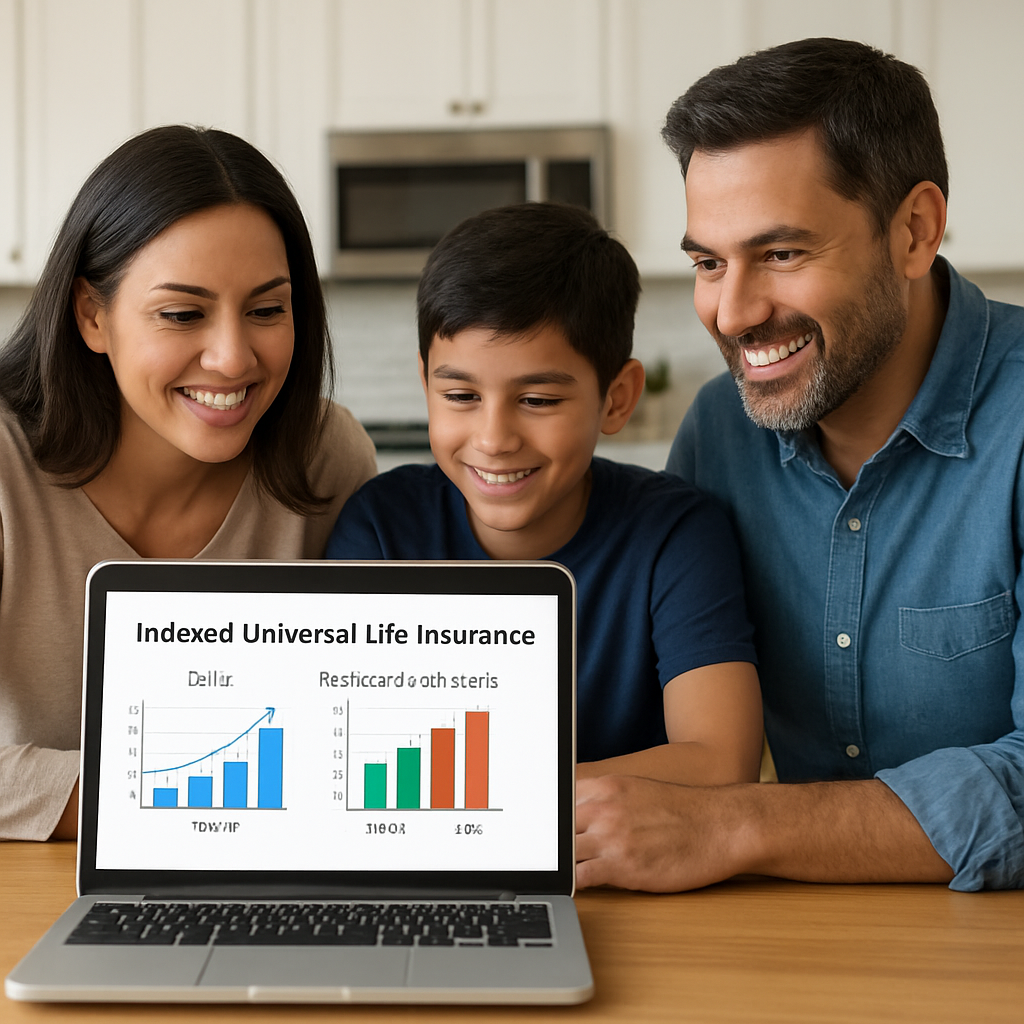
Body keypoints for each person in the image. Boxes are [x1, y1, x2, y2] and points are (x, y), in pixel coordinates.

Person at [575, 37, 1024, 892]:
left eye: (780, 254)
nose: (732, 313)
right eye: (708, 262)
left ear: (914, 231)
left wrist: (736, 823)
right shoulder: (717, 433)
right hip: (789, 936)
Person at [0, 126, 376, 842]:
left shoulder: (326, 456)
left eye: (267, 310)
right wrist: (169, 797)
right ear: (92, 315)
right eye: (182, 314)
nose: (234, 358)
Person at [326, 202, 762, 785]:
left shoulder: (675, 537)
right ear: (425, 383)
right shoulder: (379, 531)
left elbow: (721, 761)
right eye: (460, 396)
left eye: (537, 400)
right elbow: (343, 761)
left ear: (616, 399)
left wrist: (485, 793)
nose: (494, 439)